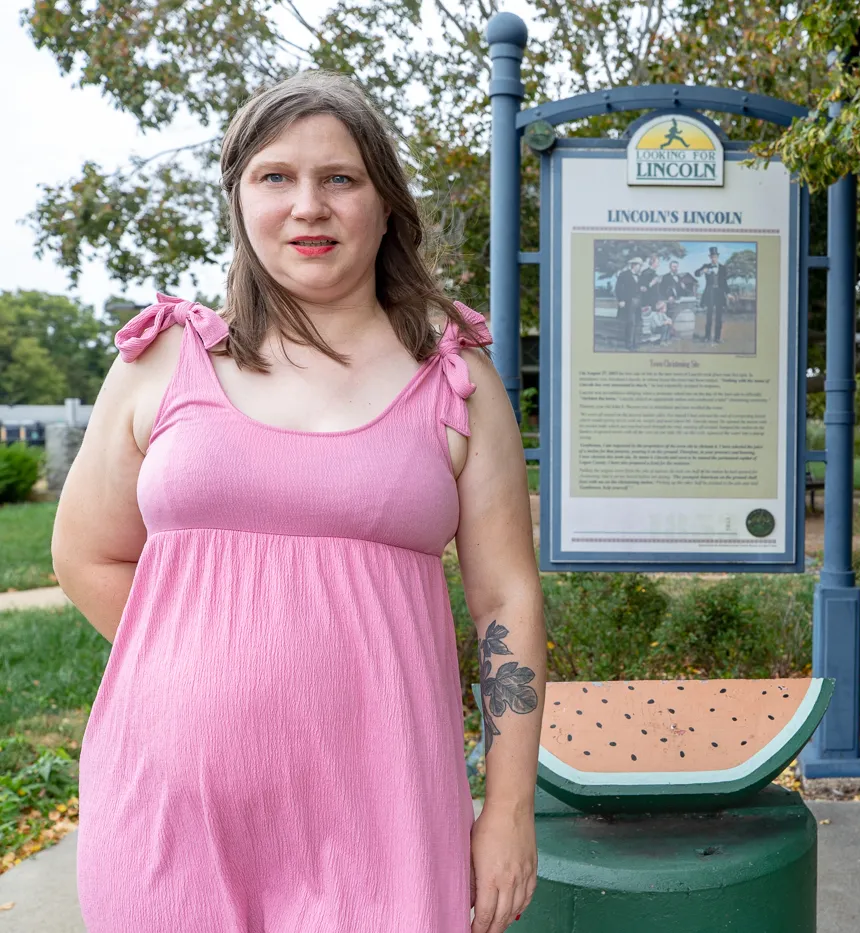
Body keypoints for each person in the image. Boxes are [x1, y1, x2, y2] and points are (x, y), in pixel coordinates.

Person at [51, 72, 543, 933]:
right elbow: (85, 554)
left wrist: (507, 811)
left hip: (384, 814)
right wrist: (211, 658)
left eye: (340, 179)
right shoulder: (162, 360)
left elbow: (506, 598)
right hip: (169, 815)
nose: (307, 205)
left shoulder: (457, 380)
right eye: (275, 177)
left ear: (385, 204)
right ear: (239, 200)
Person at [693, 246, 729, 343]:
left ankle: (717, 338)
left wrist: (728, 293)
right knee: (709, 316)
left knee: (719, 317)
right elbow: (696, 273)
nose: (714, 258)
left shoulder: (723, 268)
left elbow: (725, 282)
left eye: (715, 256)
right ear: (710, 257)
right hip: (710, 293)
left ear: (717, 257)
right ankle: (707, 337)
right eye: (712, 257)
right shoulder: (706, 266)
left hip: (719, 293)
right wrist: (702, 271)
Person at [613, 256, 645, 349]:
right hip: (629, 302)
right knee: (630, 323)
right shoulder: (624, 274)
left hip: (638, 302)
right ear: (634, 265)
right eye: (639, 265)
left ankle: (635, 343)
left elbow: (635, 288)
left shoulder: (639, 276)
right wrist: (621, 300)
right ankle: (629, 344)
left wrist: (641, 289)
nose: (640, 267)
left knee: (637, 323)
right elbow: (618, 288)